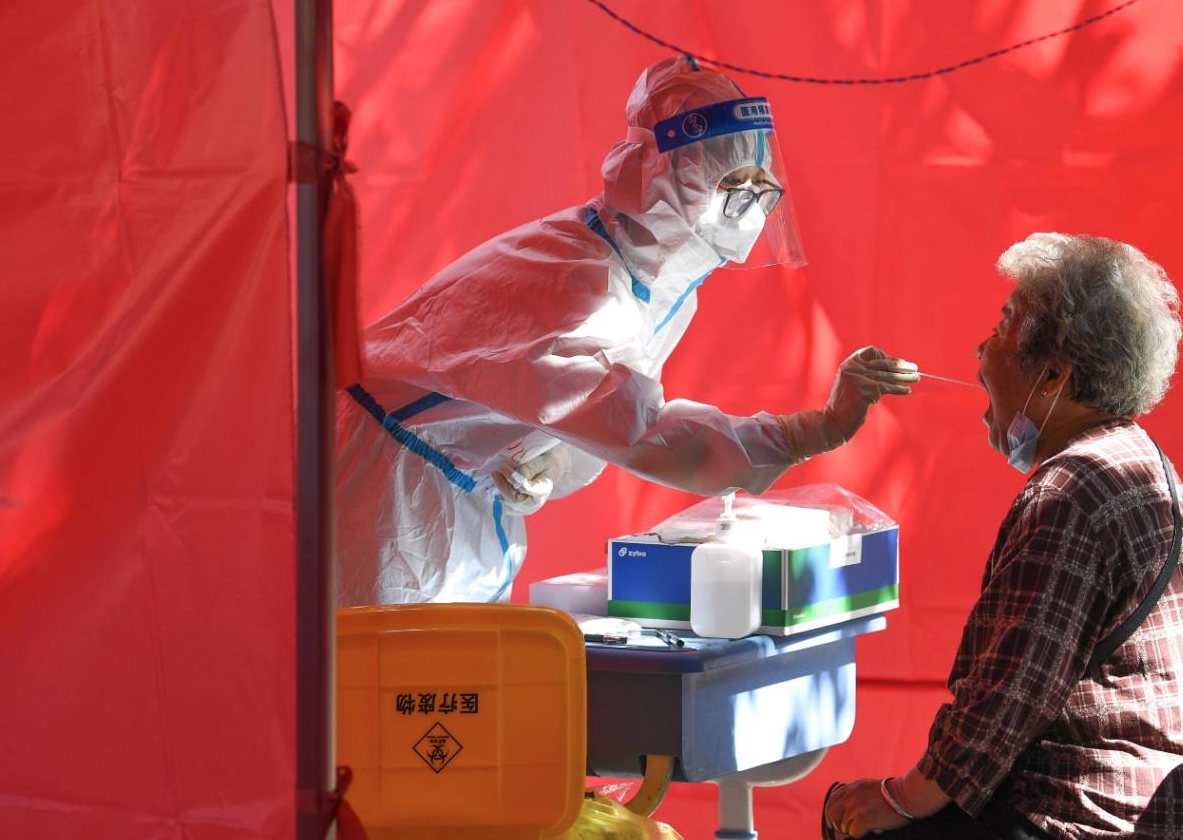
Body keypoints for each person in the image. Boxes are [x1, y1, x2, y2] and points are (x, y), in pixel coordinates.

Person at [334, 56, 919, 606]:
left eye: (761, 190)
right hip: (383, 496)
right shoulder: (576, 280)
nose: (749, 212)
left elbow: (592, 411)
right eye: (733, 188)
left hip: (448, 498)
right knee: (374, 693)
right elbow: (643, 429)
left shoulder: (648, 283)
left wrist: (552, 463)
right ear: (660, 176)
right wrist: (807, 432)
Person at [823, 233, 1183, 840]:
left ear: (1053, 375)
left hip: (1107, 823)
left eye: (1003, 327)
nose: (980, 348)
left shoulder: (1072, 492)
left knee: (850, 820)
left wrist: (895, 800)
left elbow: (1007, 698)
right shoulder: (1142, 464)